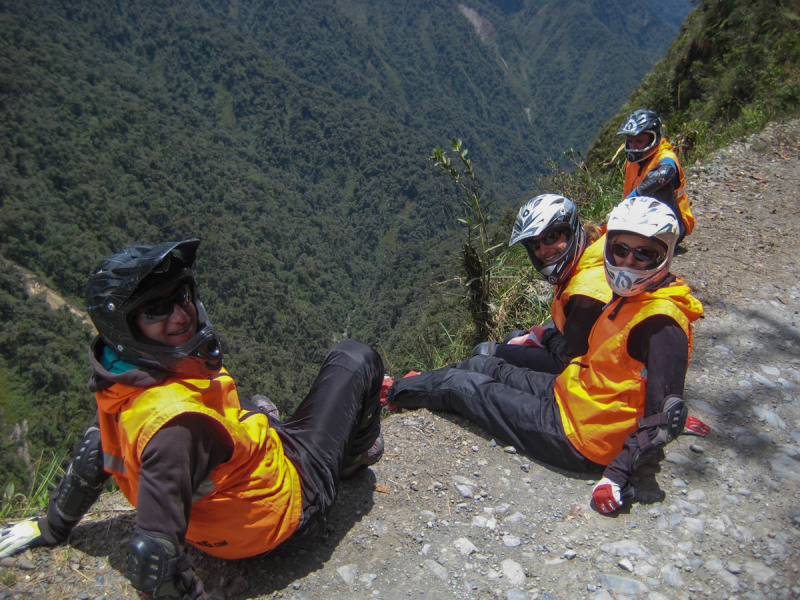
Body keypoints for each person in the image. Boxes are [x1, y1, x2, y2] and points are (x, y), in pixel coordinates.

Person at [0, 239, 384, 599]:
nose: (180, 314)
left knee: (251, 406)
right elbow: (153, 559)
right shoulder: (178, 428)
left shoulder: (121, 388)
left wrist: (50, 528)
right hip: (286, 514)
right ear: (126, 329)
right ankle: (349, 461)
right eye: (156, 310)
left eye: (180, 296)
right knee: (353, 357)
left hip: (219, 515)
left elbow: (95, 452)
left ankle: (268, 421)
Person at [385, 197, 709, 514]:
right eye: (620, 250)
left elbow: (664, 418)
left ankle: (392, 391)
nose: (627, 262)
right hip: (573, 395)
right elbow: (641, 378)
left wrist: (617, 475)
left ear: (665, 255)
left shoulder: (660, 322)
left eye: (645, 254)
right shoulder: (636, 295)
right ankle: (414, 386)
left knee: (463, 386)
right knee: (484, 364)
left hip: (578, 436)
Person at [475, 194, 612, 375]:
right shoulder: (592, 247)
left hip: (589, 371)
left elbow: (567, 360)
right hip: (582, 342)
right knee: (514, 337)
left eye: (551, 237)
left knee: (486, 352)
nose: (543, 250)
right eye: (534, 245)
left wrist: (544, 335)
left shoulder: (587, 291)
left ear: (571, 231)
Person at [617, 109, 695, 239]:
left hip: (674, 222)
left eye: (639, 141)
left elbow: (664, 173)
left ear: (652, 139)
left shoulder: (665, 156)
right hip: (640, 218)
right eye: (630, 141)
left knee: (659, 183)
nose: (634, 146)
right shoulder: (634, 163)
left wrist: (634, 196)